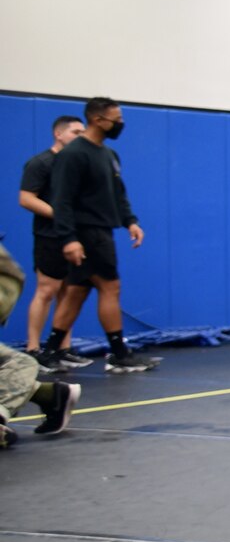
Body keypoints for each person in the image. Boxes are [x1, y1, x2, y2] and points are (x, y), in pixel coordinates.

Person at [43, 98, 157, 374]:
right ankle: (119, 353)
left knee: (76, 292)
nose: (120, 124)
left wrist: (131, 221)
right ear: (97, 119)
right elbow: (62, 200)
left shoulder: (108, 155)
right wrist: (69, 238)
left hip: (101, 229)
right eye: (116, 119)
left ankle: (49, 352)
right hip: (87, 232)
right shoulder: (74, 154)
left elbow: (118, 194)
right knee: (110, 288)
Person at [17, 114, 89, 368]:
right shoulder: (40, 163)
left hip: (75, 238)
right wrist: (59, 215)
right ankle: (34, 349)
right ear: (59, 134)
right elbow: (26, 198)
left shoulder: (77, 165)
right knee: (47, 291)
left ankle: (62, 349)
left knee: (69, 294)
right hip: (49, 237)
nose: (81, 137)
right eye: (76, 133)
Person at [0, 241, 79, 450]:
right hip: (8, 278)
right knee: (20, 363)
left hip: (6, 278)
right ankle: (51, 395)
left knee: (20, 363)